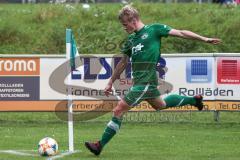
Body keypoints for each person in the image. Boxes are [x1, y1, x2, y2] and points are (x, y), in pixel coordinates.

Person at [85, 5, 221, 156]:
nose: (124, 28)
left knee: (118, 109)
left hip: (146, 82)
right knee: (160, 105)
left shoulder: (154, 29)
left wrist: (205, 39)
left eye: (125, 24)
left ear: (134, 20)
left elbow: (181, 33)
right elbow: (123, 62)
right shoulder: (130, 40)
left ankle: (99, 145)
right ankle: (194, 100)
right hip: (141, 83)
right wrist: (111, 81)